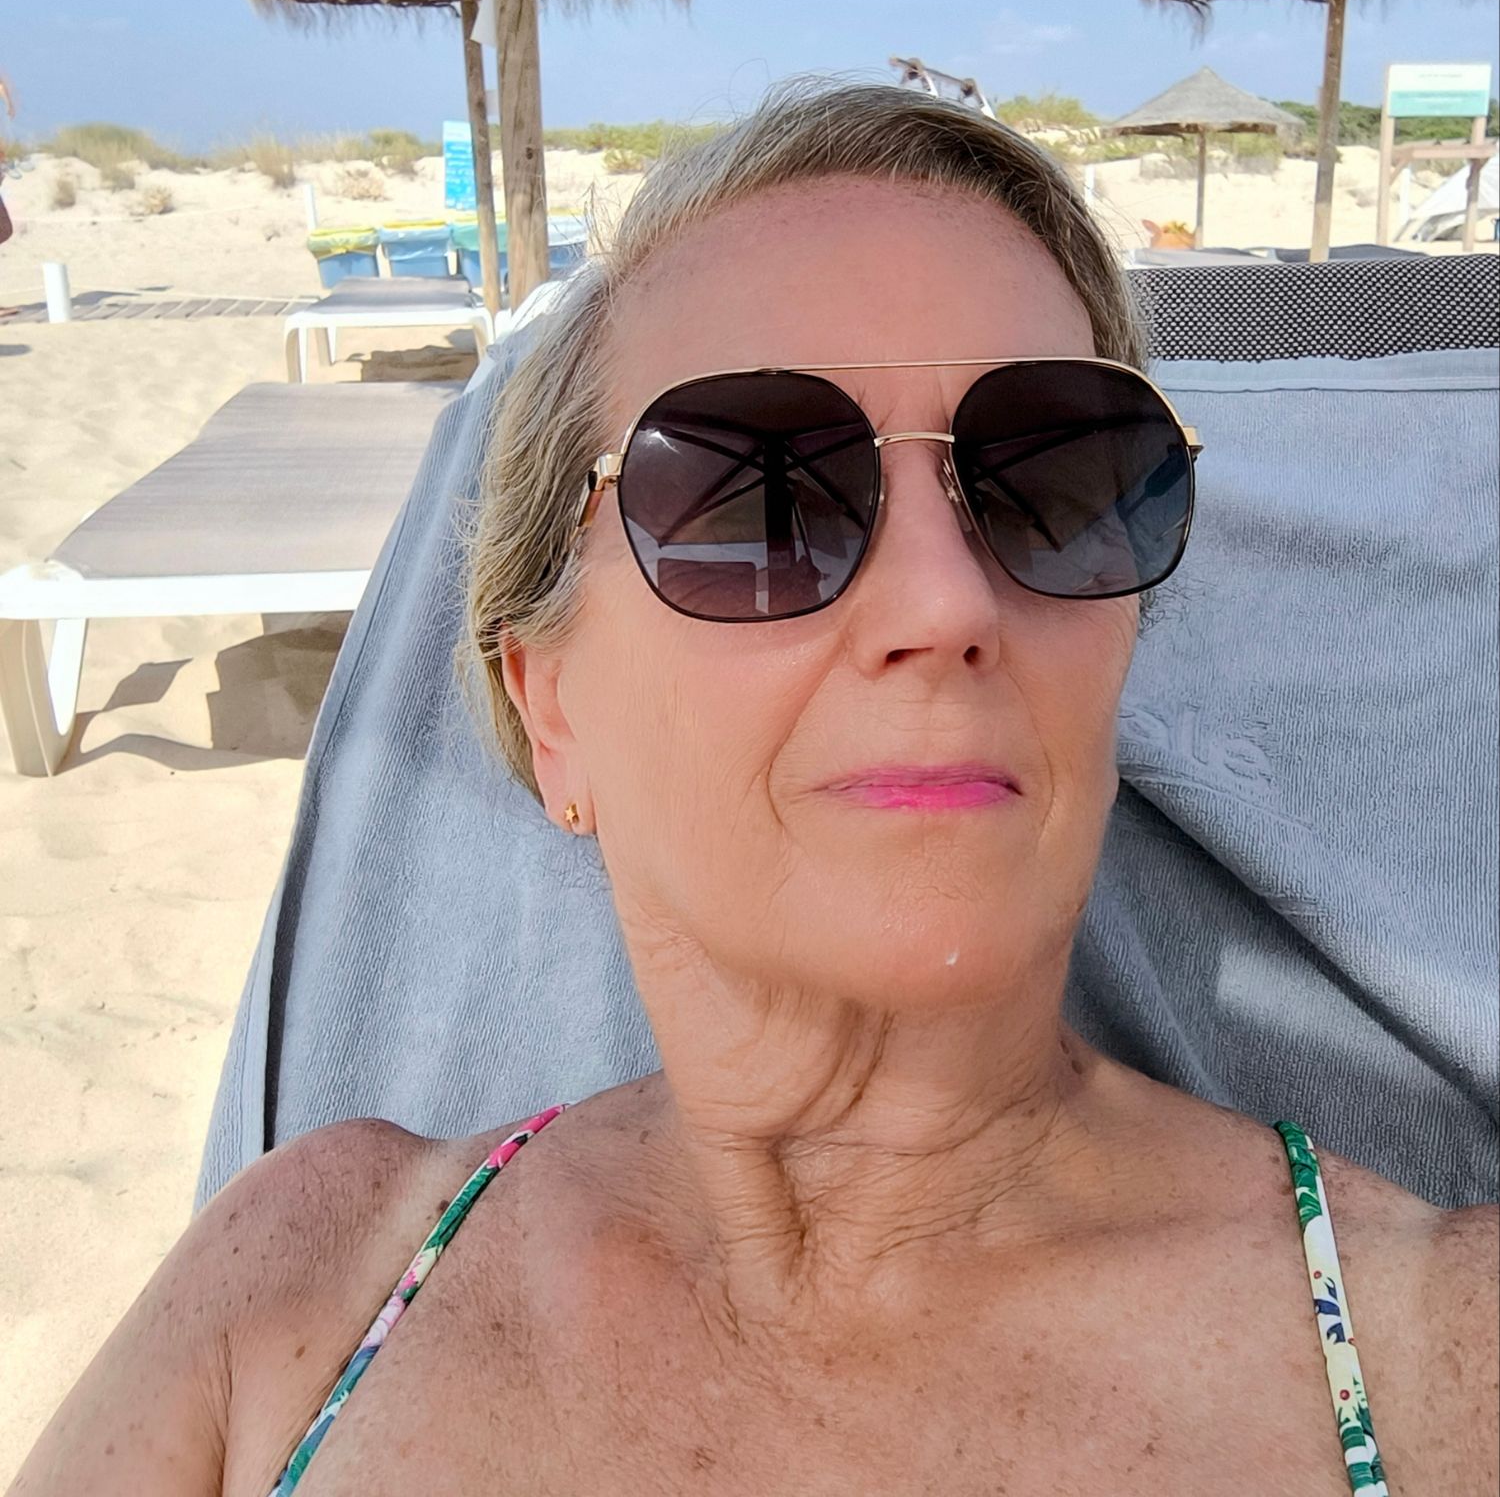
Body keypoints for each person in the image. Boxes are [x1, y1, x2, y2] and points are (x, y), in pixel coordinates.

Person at [12, 84, 1496, 1496]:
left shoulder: (1445, 1350)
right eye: (759, 499)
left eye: (1052, 481)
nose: (944, 600)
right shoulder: (299, 1280)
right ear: (551, 710)